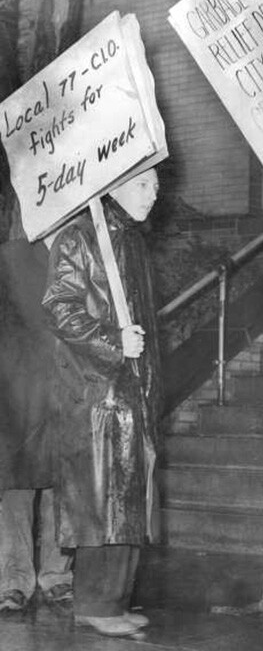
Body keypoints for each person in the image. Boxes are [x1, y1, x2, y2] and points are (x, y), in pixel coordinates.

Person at [42, 167, 162, 637]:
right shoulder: (79, 237)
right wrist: (114, 340)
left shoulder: (130, 240)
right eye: (144, 184)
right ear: (115, 184)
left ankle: (115, 601)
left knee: (127, 502)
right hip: (96, 391)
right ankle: (96, 603)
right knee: (102, 503)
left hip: (131, 392)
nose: (154, 194)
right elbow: (60, 307)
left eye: (156, 184)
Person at [0, 223, 73, 612]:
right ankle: (13, 581)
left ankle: (57, 575)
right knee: (15, 489)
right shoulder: (9, 257)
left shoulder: (79, 254)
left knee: (60, 488)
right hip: (15, 390)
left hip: (64, 390)